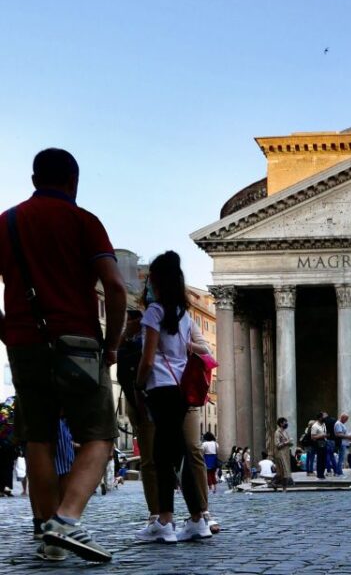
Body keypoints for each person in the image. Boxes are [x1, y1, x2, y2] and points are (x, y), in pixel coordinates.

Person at [0, 148, 126, 563]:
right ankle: (65, 521)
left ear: (34, 179)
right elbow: (116, 286)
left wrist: (6, 329)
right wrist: (112, 345)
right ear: (73, 181)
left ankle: (48, 539)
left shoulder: (8, 222)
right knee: (100, 435)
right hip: (77, 344)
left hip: (23, 342)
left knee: (38, 438)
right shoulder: (84, 221)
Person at [134, 251, 211, 543]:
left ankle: (166, 522)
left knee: (163, 457)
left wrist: (139, 384)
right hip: (180, 390)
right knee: (177, 455)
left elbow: (148, 357)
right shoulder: (183, 314)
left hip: (160, 388)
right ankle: (195, 518)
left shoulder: (154, 312)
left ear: (158, 279)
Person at [273, 417, 294, 491]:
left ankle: (275, 483)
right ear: (281, 423)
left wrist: (290, 443)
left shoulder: (285, 432)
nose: (286, 424)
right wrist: (286, 442)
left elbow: (288, 441)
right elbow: (277, 444)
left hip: (286, 453)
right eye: (285, 422)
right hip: (280, 454)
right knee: (284, 471)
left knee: (283, 471)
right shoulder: (277, 432)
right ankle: (284, 488)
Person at [311, 412, 328, 480]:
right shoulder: (315, 426)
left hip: (324, 442)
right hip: (318, 443)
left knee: (324, 459)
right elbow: (313, 437)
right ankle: (319, 474)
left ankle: (322, 473)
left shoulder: (323, 424)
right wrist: (322, 435)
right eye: (324, 417)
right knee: (320, 459)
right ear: (320, 418)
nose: (325, 418)